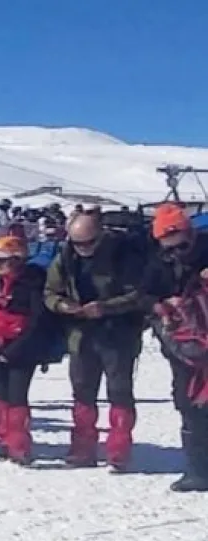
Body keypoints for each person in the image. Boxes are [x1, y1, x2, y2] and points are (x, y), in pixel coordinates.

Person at [44, 213, 144, 470]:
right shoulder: (66, 257)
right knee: (82, 391)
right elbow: (50, 292)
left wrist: (106, 307)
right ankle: (82, 448)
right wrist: (62, 305)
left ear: (100, 236)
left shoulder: (124, 256)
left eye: (88, 243)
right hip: (82, 334)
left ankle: (118, 448)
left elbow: (139, 295)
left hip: (117, 334)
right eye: (77, 243)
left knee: (119, 391)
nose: (83, 248)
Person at [141, 203, 208, 491]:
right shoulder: (157, 262)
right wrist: (162, 306)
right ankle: (197, 470)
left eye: (179, 247)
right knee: (187, 401)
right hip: (183, 343)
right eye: (167, 248)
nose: (174, 254)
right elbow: (143, 295)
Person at [0, 236, 47, 465]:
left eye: (0, 260)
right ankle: (5, 441)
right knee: (2, 395)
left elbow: (38, 321)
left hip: (21, 351)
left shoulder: (33, 286)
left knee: (17, 397)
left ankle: (19, 445)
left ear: (17, 260)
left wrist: (15, 350)